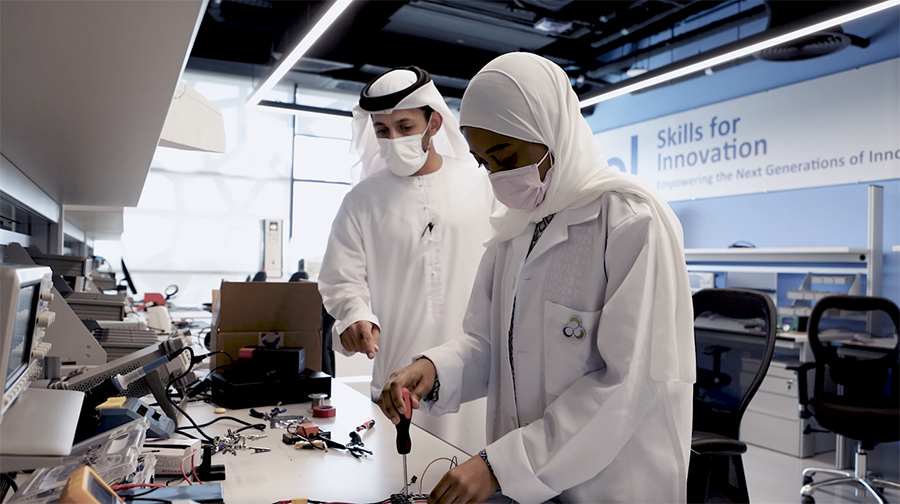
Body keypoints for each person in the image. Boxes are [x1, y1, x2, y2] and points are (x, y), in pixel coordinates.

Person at [378, 52, 696, 504]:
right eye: (484, 162)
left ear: (550, 131)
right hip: (528, 484)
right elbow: (488, 344)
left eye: (505, 155)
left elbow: (626, 384)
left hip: (612, 485)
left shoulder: (631, 222)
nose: (498, 176)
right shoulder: (516, 228)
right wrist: (433, 369)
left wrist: (498, 466)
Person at [318, 66, 495, 454]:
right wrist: (355, 314)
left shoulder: (481, 182)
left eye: (404, 126)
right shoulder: (362, 201)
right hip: (397, 376)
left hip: (478, 375)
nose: (393, 139)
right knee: (399, 480)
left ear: (433, 123)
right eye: (382, 130)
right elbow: (342, 278)